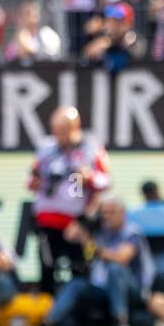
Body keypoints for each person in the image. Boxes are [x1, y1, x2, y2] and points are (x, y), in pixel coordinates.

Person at [29, 106, 111, 295]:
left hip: (76, 223)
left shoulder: (90, 149)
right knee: (47, 268)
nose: (58, 136)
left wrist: (89, 178)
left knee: (79, 268)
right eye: (55, 131)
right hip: (47, 221)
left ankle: (76, 312)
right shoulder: (46, 149)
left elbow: (105, 181)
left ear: (75, 127)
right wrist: (36, 180)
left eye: (63, 131)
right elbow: (30, 181)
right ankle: (49, 312)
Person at [42, 193, 151, 326]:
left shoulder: (132, 232)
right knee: (76, 284)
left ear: (123, 213)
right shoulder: (99, 231)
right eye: (104, 212)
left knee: (115, 269)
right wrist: (86, 215)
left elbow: (121, 259)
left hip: (132, 290)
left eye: (111, 212)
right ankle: (48, 322)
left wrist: (93, 246)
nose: (107, 216)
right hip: (102, 288)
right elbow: (69, 235)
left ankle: (120, 321)